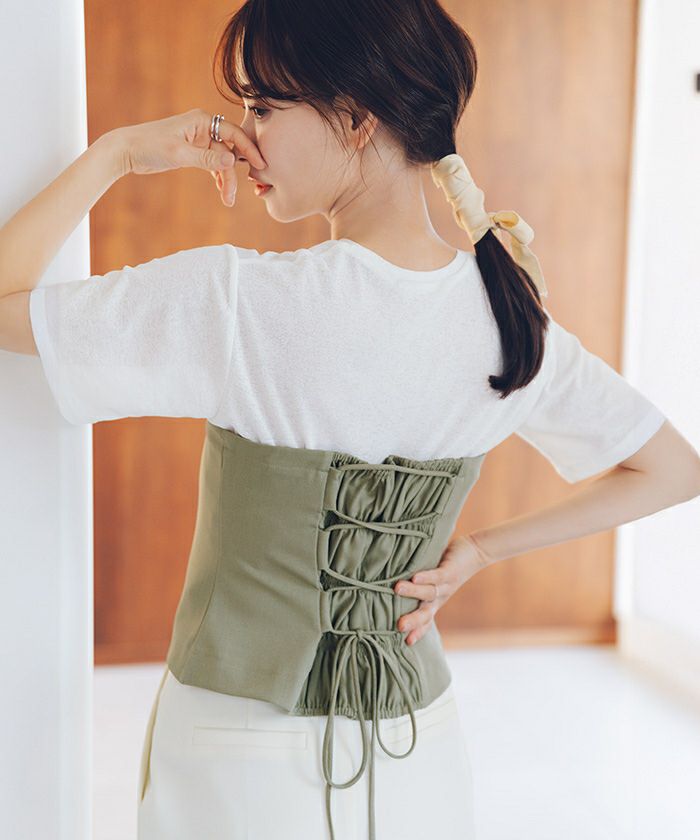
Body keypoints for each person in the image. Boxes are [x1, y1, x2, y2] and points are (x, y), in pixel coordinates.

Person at [1, 1, 699, 838]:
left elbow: (6, 302)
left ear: (357, 118)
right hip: (418, 749)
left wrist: (119, 153)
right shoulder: (510, 320)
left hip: (237, 749)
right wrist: (481, 551)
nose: (244, 135)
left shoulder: (237, 301)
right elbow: (674, 470)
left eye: (265, 106)